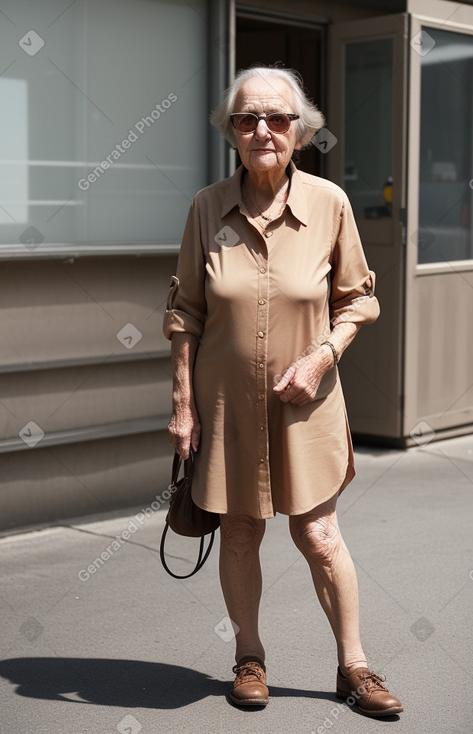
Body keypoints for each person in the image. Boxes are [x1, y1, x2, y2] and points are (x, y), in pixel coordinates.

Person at [163, 65, 403, 717]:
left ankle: (353, 665)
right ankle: (248, 656)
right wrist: (183, 405)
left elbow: (359, 300)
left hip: (308, 407)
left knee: (319, 535)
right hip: (226, 408)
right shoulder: (205, 208)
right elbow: (184, 310)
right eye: (246, 120)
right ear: (230, 132)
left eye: (276, 119)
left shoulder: (330, 204)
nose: (261, 130)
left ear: (300, 131)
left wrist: (323, 355)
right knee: (239, 533)